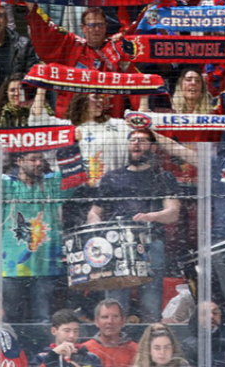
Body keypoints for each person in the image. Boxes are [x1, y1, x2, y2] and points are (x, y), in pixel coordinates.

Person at [87, 128, 182, 322]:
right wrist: (98, 229)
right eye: (132, 140)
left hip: (150, 242)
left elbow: (173, 212)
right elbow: (94, 212)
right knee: (114, 304)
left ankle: (149, 344)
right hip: (117, 245)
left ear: (153, 148)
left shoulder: (163, 177)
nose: (136, 144)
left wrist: (151, 216)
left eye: (142, 140)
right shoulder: (112, 177)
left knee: (151, 303)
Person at [36, 309, 103, 367]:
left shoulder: (90, 358)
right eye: (67, 331)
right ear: (54, 331)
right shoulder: (41, 358)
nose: (72, 335)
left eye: (76, 331)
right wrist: (53, 356)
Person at [81, 299, 138, 367]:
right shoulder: (84, 350)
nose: (110, 321)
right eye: (105, 317)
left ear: (123, 321)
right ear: (96, 322)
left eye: (115, 316)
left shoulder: (137, 350)